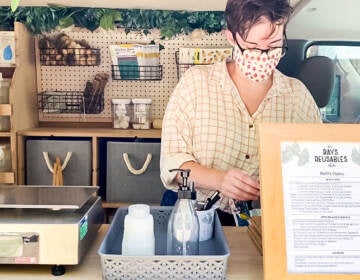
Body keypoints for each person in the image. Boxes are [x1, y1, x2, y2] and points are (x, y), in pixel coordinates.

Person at [160, 0, 322, 226]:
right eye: (254, 46)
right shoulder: (195, 84)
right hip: (194, 214)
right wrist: (220, 179)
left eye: (274, 44)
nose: (264, 55)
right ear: (231, 37)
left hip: (264, 220)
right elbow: (172, 164)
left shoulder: (298, 97)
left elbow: (316, 167)